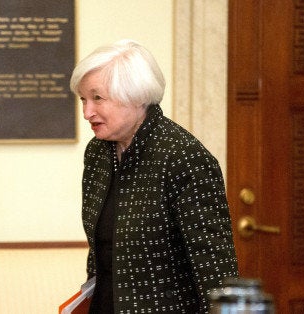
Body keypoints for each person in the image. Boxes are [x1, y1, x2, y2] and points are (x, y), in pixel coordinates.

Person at [70, 39, 238, 313]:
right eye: (83, 100)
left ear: (136, 96)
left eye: (97, 98)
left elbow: (214, 268)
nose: (87, 112)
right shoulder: (98, 153)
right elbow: (101, 252)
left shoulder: (184, 157)